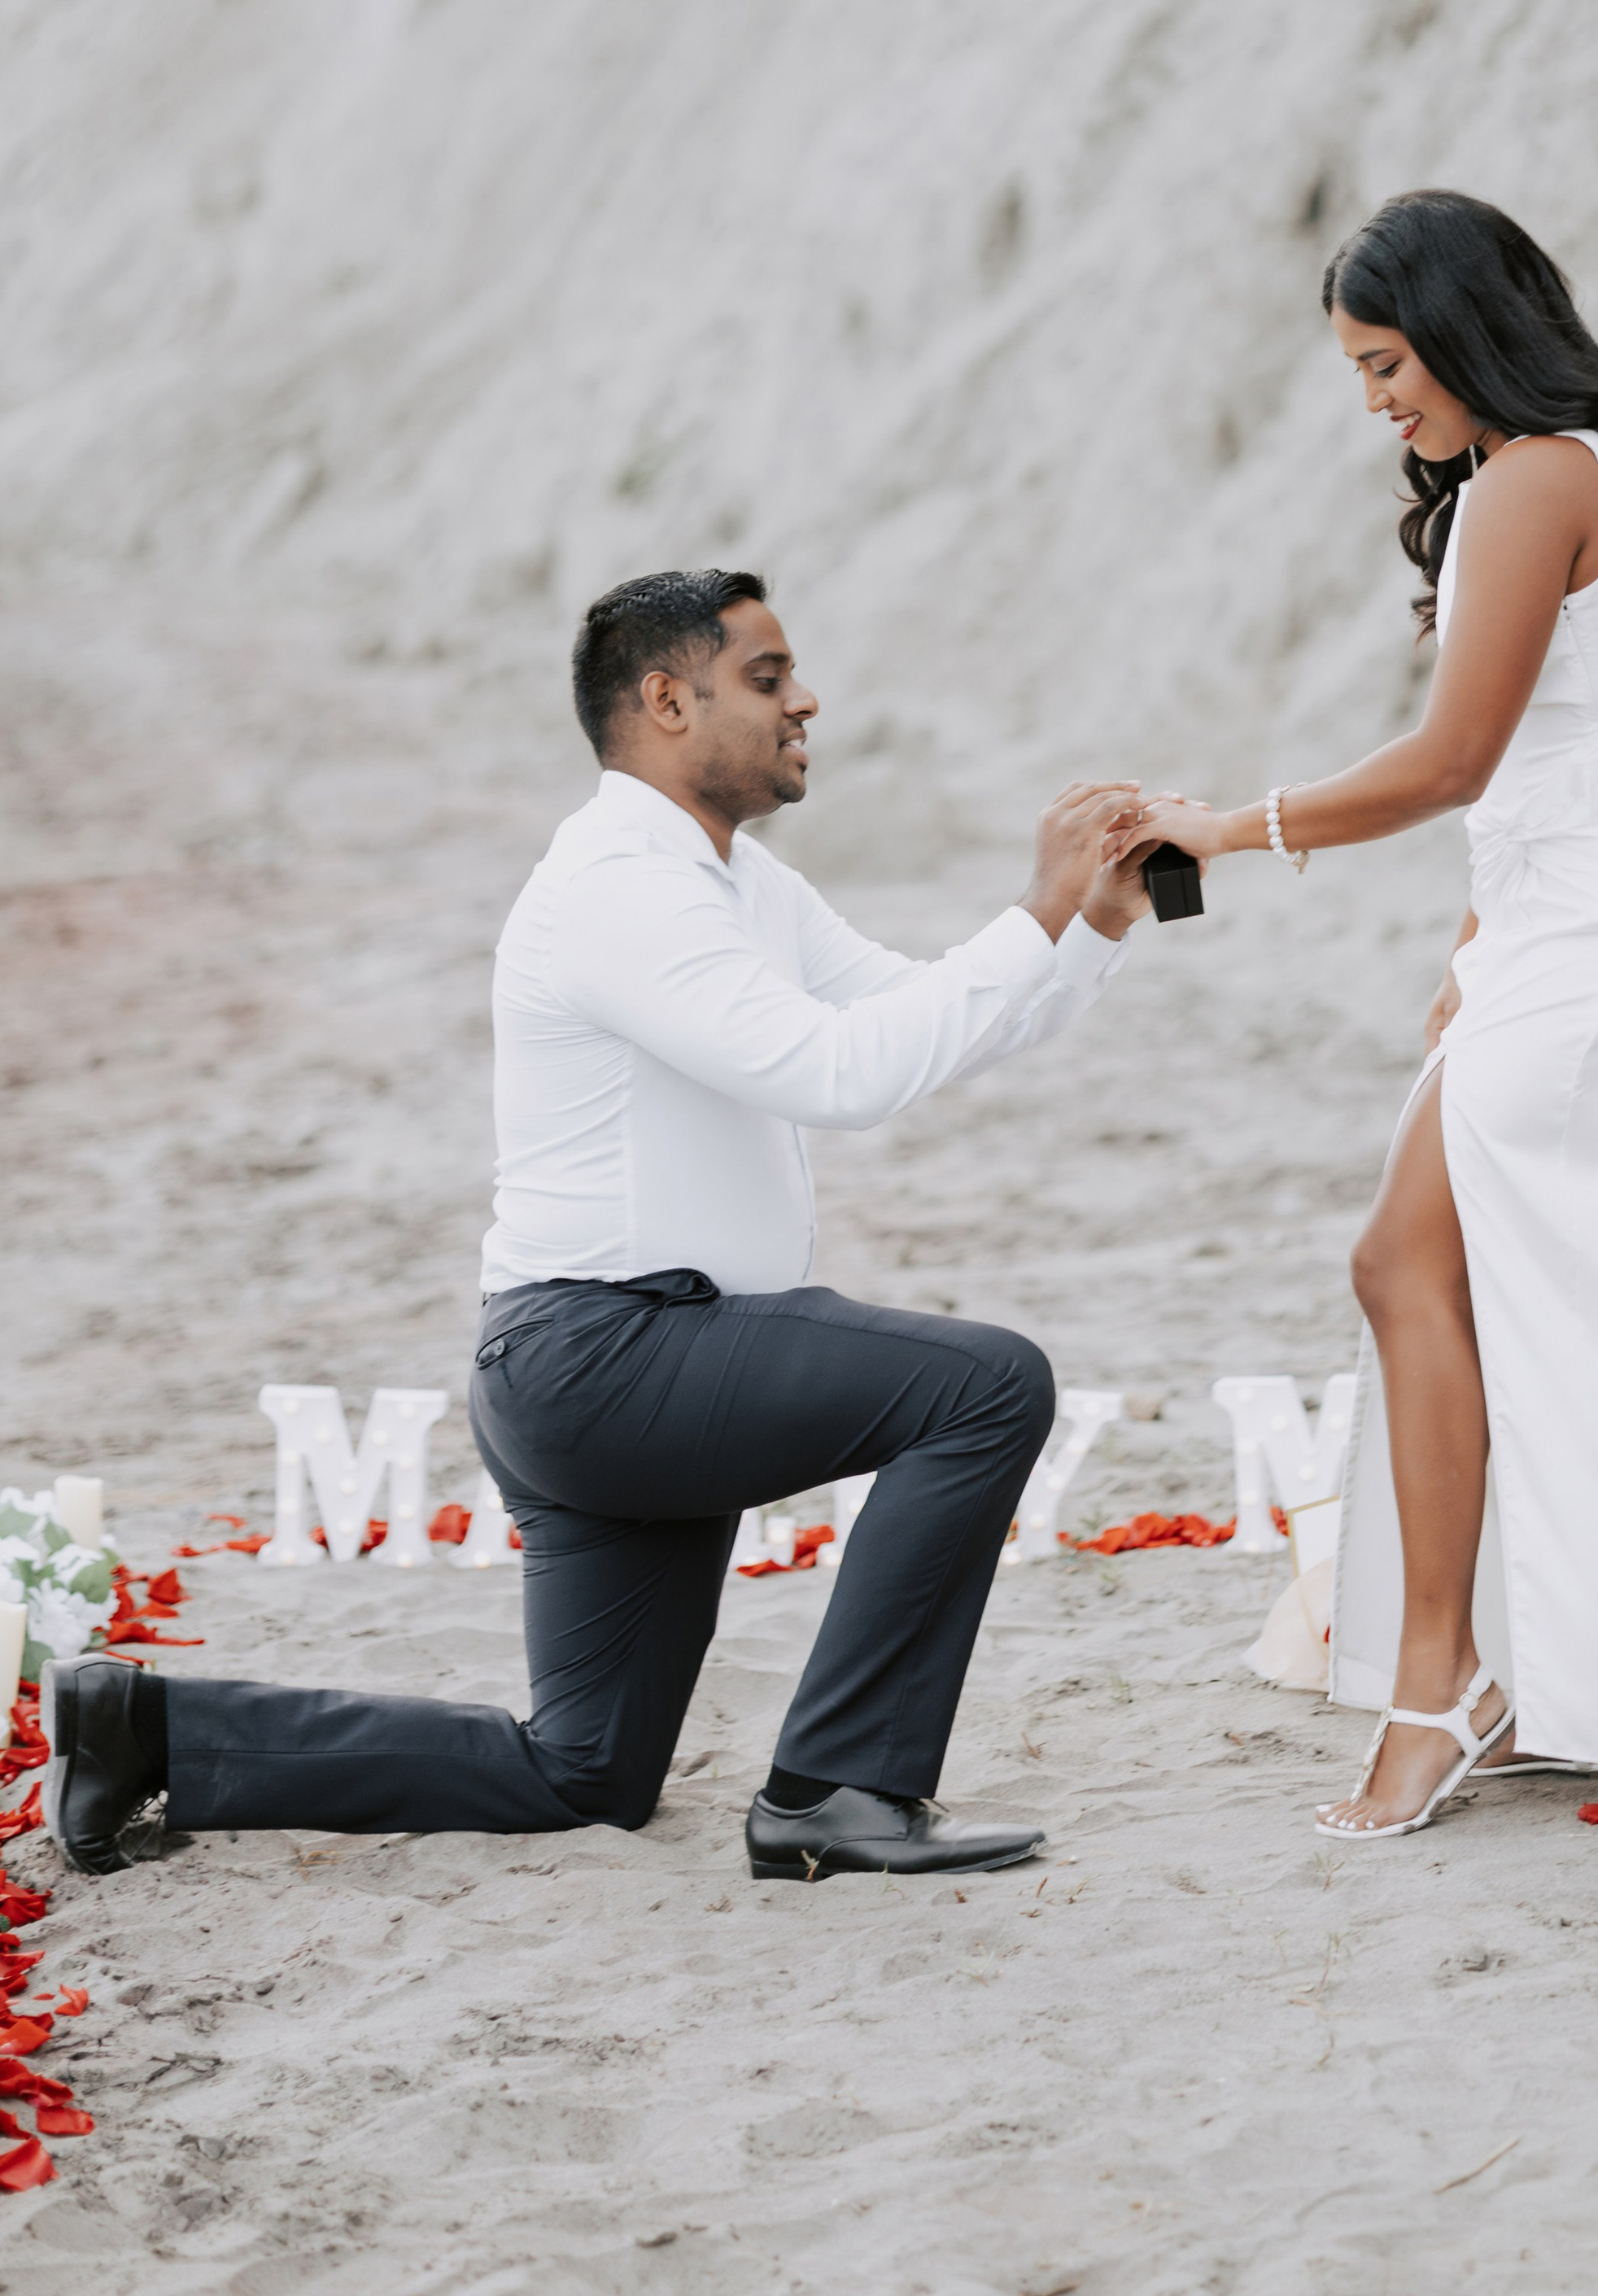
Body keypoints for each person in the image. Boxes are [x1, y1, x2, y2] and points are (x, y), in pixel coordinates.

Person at [47, 570, 1153, 1884]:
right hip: (605, 1359)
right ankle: (838, 1790)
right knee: (985, 1387)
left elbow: (921, 1020)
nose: (807, 700)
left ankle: (146, 1728)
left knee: (585, 1772)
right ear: (667, 700)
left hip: (613, 1370)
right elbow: (843, 1077)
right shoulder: (621, 886)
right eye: (767, 676)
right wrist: (1033, 909)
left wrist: (1090, 922)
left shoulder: (738, 883)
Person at [1127, 192, 1598, 1837]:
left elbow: (1457, 759)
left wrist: (1223, 829)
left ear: (1468, 331)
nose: (1375, 401)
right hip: (1584, 926)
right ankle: (1504, 1670)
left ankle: (1444, 1684)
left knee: (1418, 1264)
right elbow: (1583, 745)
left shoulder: (1535, 481)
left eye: (1386, 361)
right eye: (1356, 371)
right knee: (1481, 1281)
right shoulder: (1574, 475)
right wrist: (1480, 937)